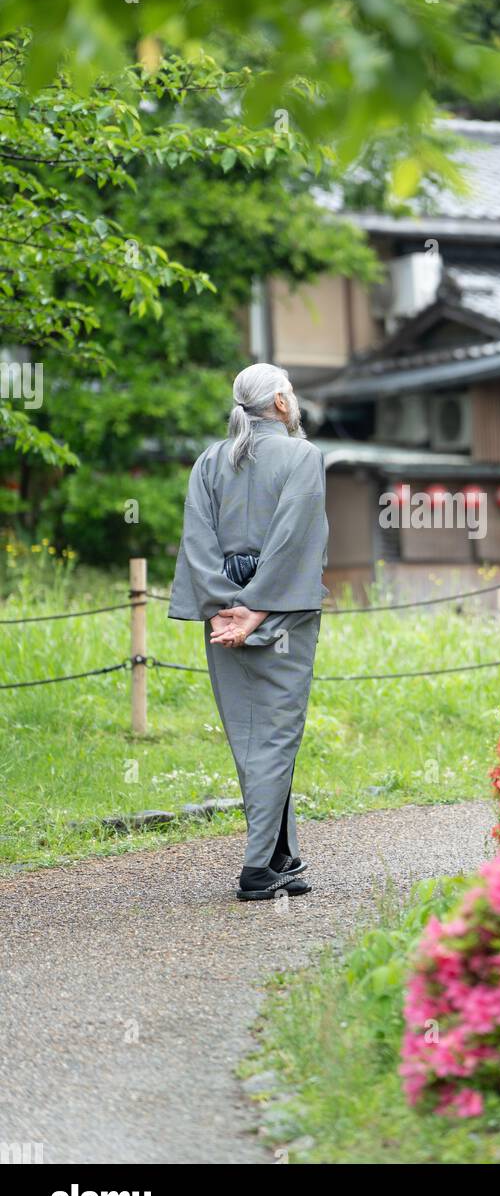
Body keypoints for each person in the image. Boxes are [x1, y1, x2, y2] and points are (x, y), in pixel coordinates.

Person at [168, 363, 328, 900]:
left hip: (225, 613)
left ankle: (281, 855)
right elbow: (291, 539)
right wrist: (257, 610)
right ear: (281, 403)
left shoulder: (210, 460)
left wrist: (220, 608)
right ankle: (258, 869)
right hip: (278, 611)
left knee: (251, 735)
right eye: (292, 392)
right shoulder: (303, 456)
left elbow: (197, 540)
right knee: (277, 734)